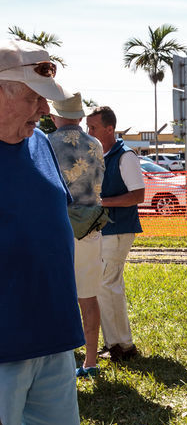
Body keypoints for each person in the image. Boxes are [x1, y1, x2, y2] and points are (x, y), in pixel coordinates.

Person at [0, 39, 95, 425]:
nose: (43, 109)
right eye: (32, 97)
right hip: (2, 337)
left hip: (49, 330)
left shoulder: (37, 143)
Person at [50, 92, 105, 377]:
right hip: (90, 226)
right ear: (81, 117)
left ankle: (59, 361)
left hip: (58, 225)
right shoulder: (95, 143)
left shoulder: (47, 142)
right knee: (88, 295)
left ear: (53, 115)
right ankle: (91, 361)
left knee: (56, 294)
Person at [86, 106, 144, 362]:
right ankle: (117, 344)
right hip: (106, 229)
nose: (89, 132)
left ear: (110, 129)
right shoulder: (101, 154)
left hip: (118, 229)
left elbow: (137, 196)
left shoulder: (125, 156)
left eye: (93, 128)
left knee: (107, 286)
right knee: (107, 286)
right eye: (88, 127)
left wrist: (101, 202)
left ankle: (123, 346)